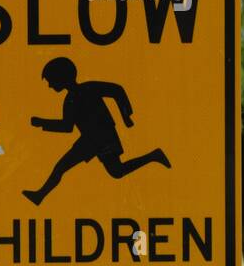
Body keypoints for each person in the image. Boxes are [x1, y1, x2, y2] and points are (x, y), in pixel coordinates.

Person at [22, 57, 170, 206]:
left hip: (105, 138)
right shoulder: (70, 99)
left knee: (116, 171)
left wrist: (126, 115)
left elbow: (117, 90)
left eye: (51, 81)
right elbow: (67, 126)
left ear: (61, 77)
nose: (49, 85)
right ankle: (39, 196)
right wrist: (43, 123)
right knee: (64, 166)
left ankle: (153, 156)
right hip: (90, 140)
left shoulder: (88, 88)